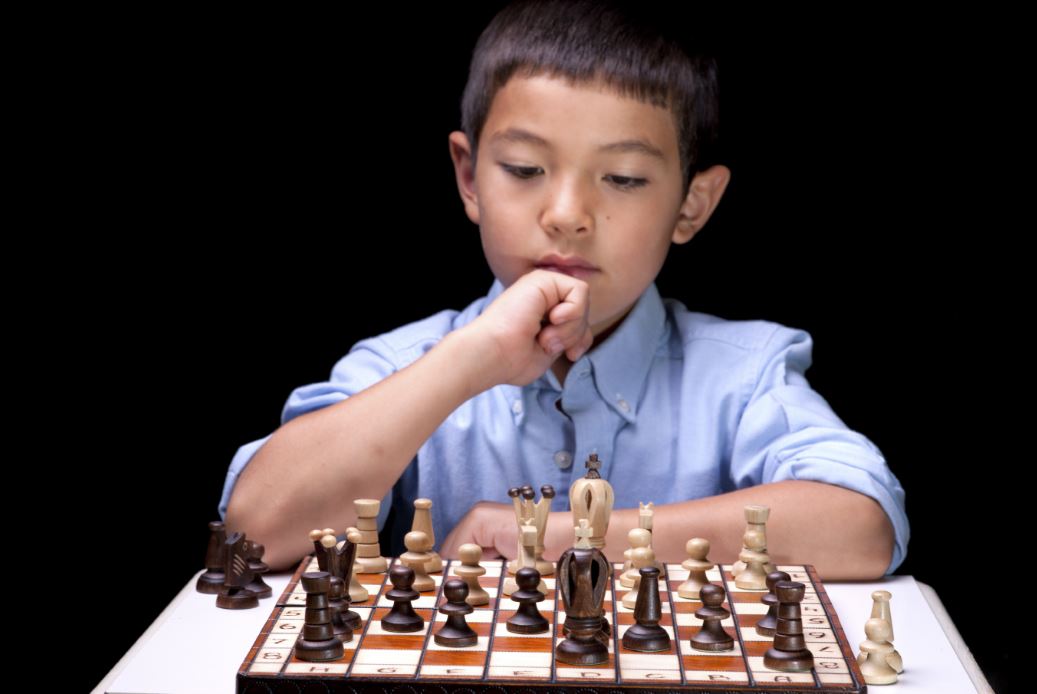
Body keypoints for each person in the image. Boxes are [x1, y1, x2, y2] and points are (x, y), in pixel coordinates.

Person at [219, 0, 908, 579]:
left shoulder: (743, 372)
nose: (566, 214)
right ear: (468, 178)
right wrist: (471, 358)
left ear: (692, 205)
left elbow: (860, 525)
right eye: (524, 169)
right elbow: (258, 529)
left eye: (624, 179)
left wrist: (566, 535)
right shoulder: (403, 368)